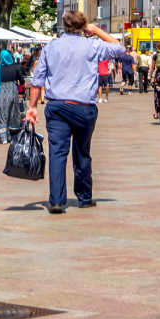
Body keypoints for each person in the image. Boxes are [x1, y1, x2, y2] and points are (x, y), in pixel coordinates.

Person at [25, 11, 124, 213]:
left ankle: (56, 201)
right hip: (83, 108)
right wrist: (96, 30)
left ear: (63, 25)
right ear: (83, 27)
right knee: (82, 152)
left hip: (58, 107)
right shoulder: (92, 45)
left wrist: (32, 107)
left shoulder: (51, 47)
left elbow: (38, 80)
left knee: (57, 153)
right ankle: (84, 197)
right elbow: (119, 48)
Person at [0, 47, 24, 143]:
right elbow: (22, 81)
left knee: (1, 114)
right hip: (13, 92)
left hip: (1, 92)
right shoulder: (16, 67)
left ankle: (3, 138)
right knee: (13, 114)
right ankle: (12, 136)